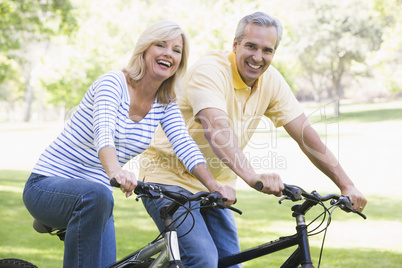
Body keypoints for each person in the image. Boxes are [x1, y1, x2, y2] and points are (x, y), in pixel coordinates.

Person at [139, 11, 367, 268]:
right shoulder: (210, 71)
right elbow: (216, 128)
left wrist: (346, 185)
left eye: (267, 50)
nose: (258, 57)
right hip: (168, 180)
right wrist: (252, 176)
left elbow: (306, 136)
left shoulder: (271, 81)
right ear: (235, 45)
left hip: (218, 187)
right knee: (203, 259)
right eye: (250, 46)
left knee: (232, 263)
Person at [22, 21, 235, 268]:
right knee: (98, 193)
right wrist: (115, 172)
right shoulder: (113, 83)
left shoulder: (165, 102)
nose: (169, 53)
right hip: (47, 185)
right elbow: (104, 134)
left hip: (97, 201)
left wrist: (214, 186)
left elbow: (185, 145)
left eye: (177, 50)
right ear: (144, 50)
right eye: (160, 45)